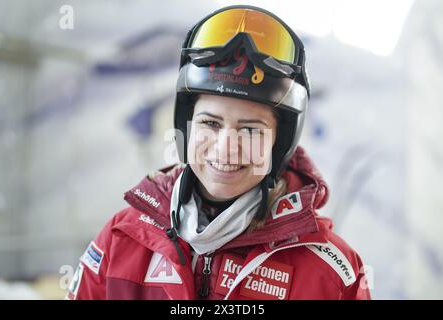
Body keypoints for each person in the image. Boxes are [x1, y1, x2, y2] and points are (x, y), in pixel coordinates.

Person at [66, 5, 371, 300]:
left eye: (250, 129)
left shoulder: (330, 274)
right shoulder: (123, 237)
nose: (226, 147)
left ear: (280, 144)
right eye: (210, 123)